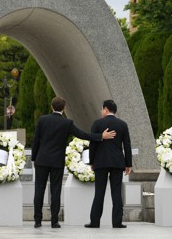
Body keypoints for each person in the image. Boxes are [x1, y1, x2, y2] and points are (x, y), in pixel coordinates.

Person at [31, 96, 116, 229]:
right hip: (57, 161)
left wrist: (34, 158)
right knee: (56, 190)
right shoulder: (67, 123)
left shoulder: (42, 120)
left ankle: (37, 220)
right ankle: (54, 221)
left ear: (52, 107)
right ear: (64, 109)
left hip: (41, 160)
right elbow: (82, 135)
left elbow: (36, 140)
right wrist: (100, 136)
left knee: (39, 190)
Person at [85, 99, 132, 229]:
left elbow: (92, 144)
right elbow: (127, 145)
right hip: (117, 162)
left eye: (102, 109)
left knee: (99, 192)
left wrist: (92, 161)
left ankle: (95, 222)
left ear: (106, 109)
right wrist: (128, 164)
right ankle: (117, 222)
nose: (101, 111)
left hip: (101, 162)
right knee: (116, 192)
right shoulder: (122, 124)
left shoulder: (97, 124)